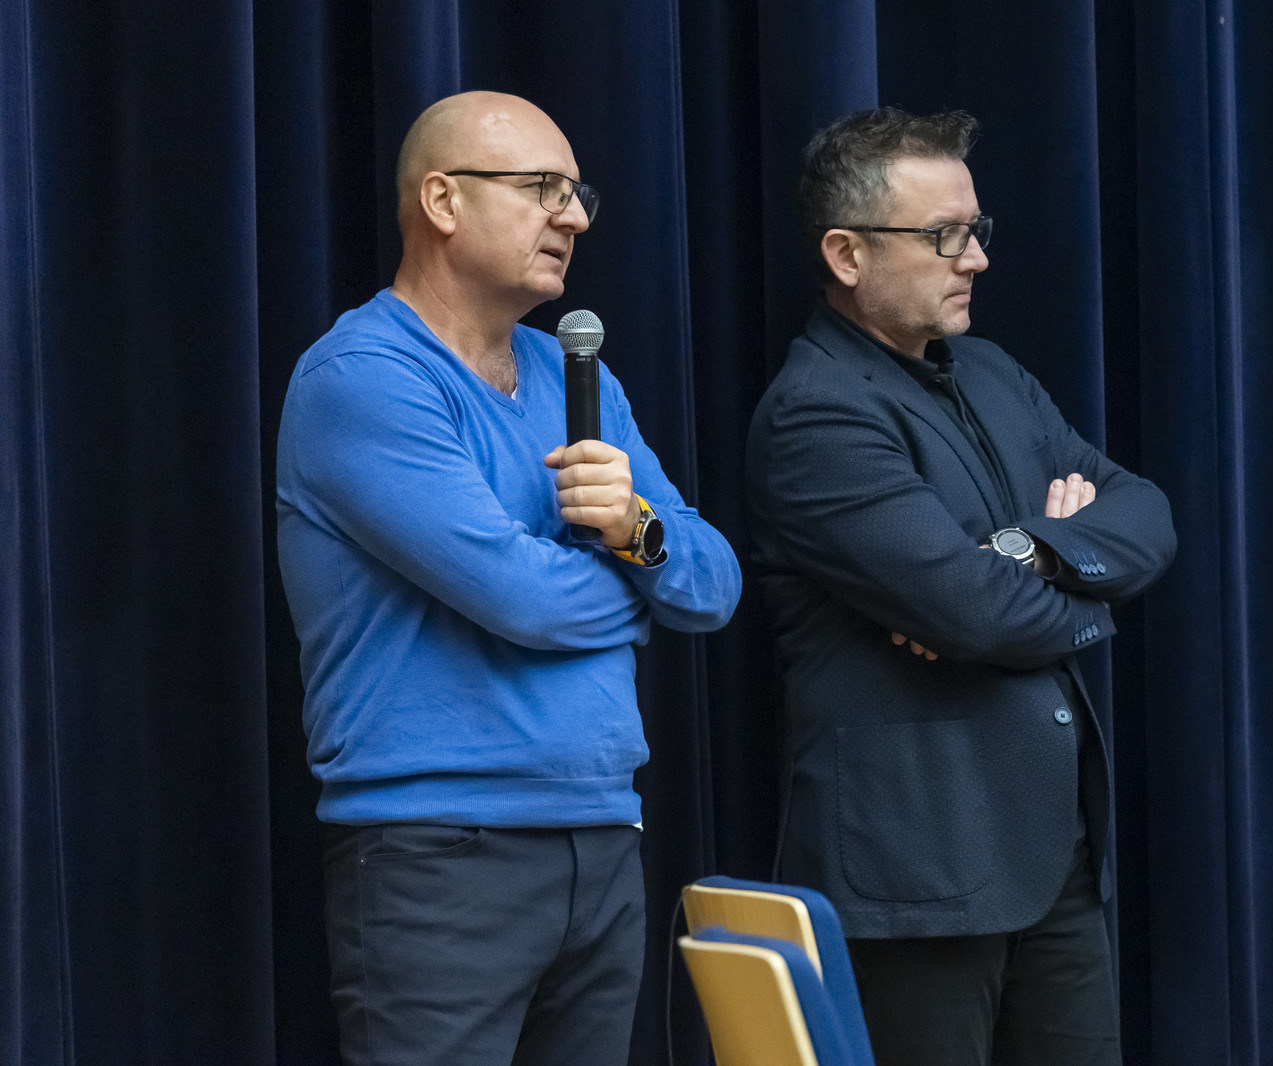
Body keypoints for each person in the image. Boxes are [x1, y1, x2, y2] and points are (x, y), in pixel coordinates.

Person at [276, 91, 741, 1066]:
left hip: (602, 837)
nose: (573, 217)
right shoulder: (362, 376)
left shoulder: (578, 375)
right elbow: (521, 598)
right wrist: (637, 589)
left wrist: (635, 531)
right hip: (438, 852)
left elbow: (711, 586)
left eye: (577, 195)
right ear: (443, 201)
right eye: (542, 188)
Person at [744, 107, 1176, 1066]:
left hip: (1055, 858)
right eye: (944, 236)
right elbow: (975, 612)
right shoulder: (816, 416)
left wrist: (1031, 551)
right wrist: (1072, 583)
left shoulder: (990, 372)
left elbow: (1147, 513)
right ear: (846, 254)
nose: (975, 258)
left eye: (975, 230)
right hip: (917, 879)